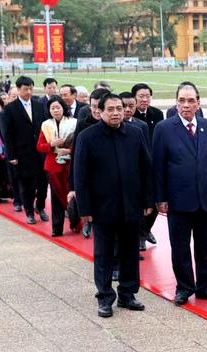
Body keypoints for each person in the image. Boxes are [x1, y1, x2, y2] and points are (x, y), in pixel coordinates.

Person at [74, 93, 153, 318]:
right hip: (103, 207)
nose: (117, 112)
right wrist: (85, 209)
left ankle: (128, 294)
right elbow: (80, 175)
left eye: (120, 108)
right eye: (111, 109)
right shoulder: (88, 137)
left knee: (130, 251)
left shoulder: (135, 133)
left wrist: (148, 200)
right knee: (104, 254)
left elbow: (146, 169)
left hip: (131, 204)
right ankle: (105, 297)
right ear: (99, 112)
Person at [153, 82, 207, 306]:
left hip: (205, 199)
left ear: (198, 103)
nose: (186, 105)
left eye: (191, 100)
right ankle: (184, 287)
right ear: (176, 102)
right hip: (177, 200)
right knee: (180, 248)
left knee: (206, 247)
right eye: (182, 100)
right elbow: (159, 166)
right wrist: (160, 197)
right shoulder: (164, 128)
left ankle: (205, 286)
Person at [0, 76, 48, 225]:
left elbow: (45, 128)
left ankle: (40, 207)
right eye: (25, 89)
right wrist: (11, 155)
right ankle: (29, 212)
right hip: (22, 154)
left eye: (31, 88)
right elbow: (7, 134)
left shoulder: (39, 106)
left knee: (43, 184)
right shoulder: (10, 109)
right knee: (26, 186)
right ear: (19, 89)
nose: (29, 91)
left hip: (40, 153)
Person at [70, 88, 110, 239]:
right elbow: (75, 158)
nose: (95, 110)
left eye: (98, 106)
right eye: (92, 106)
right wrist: (72, 187)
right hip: (90, 178)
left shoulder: (118, 124)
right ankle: (88, 224)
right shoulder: (83, 125)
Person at [36, 96, 78, 236]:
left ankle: (76, 222)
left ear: (63, 108)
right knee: (56, 200)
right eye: (52, 108)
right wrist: (52, 145)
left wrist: (69, 150)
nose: (55, 110)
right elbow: (40, 147)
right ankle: (57, 229)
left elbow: (79, 145)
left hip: (70, 166)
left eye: (58, 107)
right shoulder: (46, 125)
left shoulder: (74, 123)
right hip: (53, 167)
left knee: (73, 197)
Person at [131, 83, 164, 250]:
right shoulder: (130, 115)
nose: (144, 100)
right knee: (140, 203)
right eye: (141, 96)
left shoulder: (157, 114)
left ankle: (145, 230)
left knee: (156, 200)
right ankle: (139, 235)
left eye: (147, 96)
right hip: (137, 166)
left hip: (155, 163)